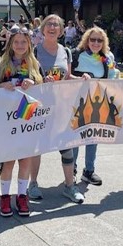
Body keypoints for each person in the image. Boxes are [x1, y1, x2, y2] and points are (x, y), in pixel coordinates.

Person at [29, 14, 85, 204]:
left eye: (57, 25)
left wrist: (82, 79)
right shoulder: (35, 51)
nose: (53, 27)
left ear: (61, 31)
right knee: (36, 147)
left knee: (67, 146)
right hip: (40, 107)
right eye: (49, 24)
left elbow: (67, 76)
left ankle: (69, 186)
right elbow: (30, 77)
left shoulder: (66, 52)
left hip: (62, 107)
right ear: (43, 29)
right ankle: (33, 184)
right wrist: (42, 81)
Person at [0, 27, 43, 217]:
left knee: (25, 160)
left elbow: (43, 89)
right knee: (8, 162)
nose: (20, 45)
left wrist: (35, 83)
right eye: (16, 42)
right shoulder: (2, 65)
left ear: (29, 44)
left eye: (24, 42)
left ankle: (22, 196)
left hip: (28, 119)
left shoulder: (34, 65)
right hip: (8, 121)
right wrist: (1, 85)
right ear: (10, 44)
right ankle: (4, 196)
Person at [71, 27, 116, 186]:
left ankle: (89, 170)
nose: (96, 43)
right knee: (75, 137)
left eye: (100, 40)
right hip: (77, 102)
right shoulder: (76, 55)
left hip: (97, 102)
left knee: (93, 136)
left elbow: (111, 79)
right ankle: (72, 171)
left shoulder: (106, 58)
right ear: (86, 40)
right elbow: (66, 77)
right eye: (93, 39)